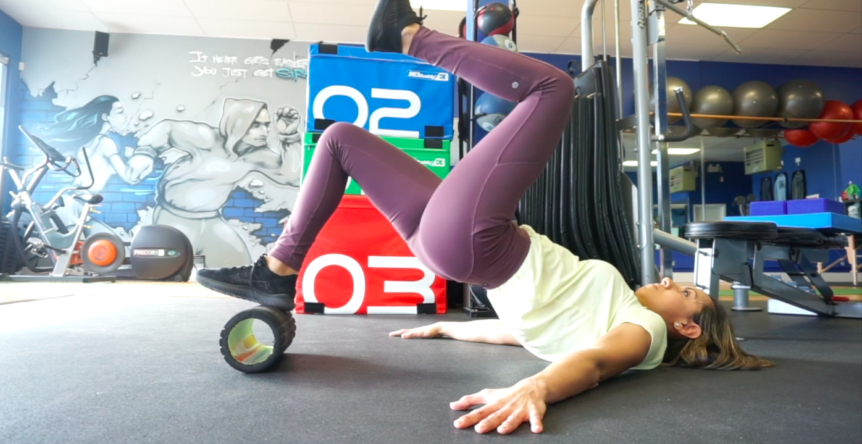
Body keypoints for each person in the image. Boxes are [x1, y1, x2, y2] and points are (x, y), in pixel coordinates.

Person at [196, 0, 773, 435]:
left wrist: (537, 388)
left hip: (481, 245)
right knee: (342, 139)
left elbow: (595, 364)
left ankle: (409, 38)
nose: (672, 281)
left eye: (688, 295)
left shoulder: (640, 332)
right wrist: (448, 327)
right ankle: (277, 270)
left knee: (551, 88)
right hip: (454, 248)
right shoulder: (605, 311)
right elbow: (517, 332)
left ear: (686, 329)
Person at [123, 100, 304, 268]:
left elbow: (291, 176)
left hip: (211, 220)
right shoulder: (206, 138)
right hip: (174, 219)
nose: (264, 132)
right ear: (236, 124)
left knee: (240, 268)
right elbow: (167, 128)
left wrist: (289, 136)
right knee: (166, 272)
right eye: (255, 125)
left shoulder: (255, 155)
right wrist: (145, 153)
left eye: (266, 125)